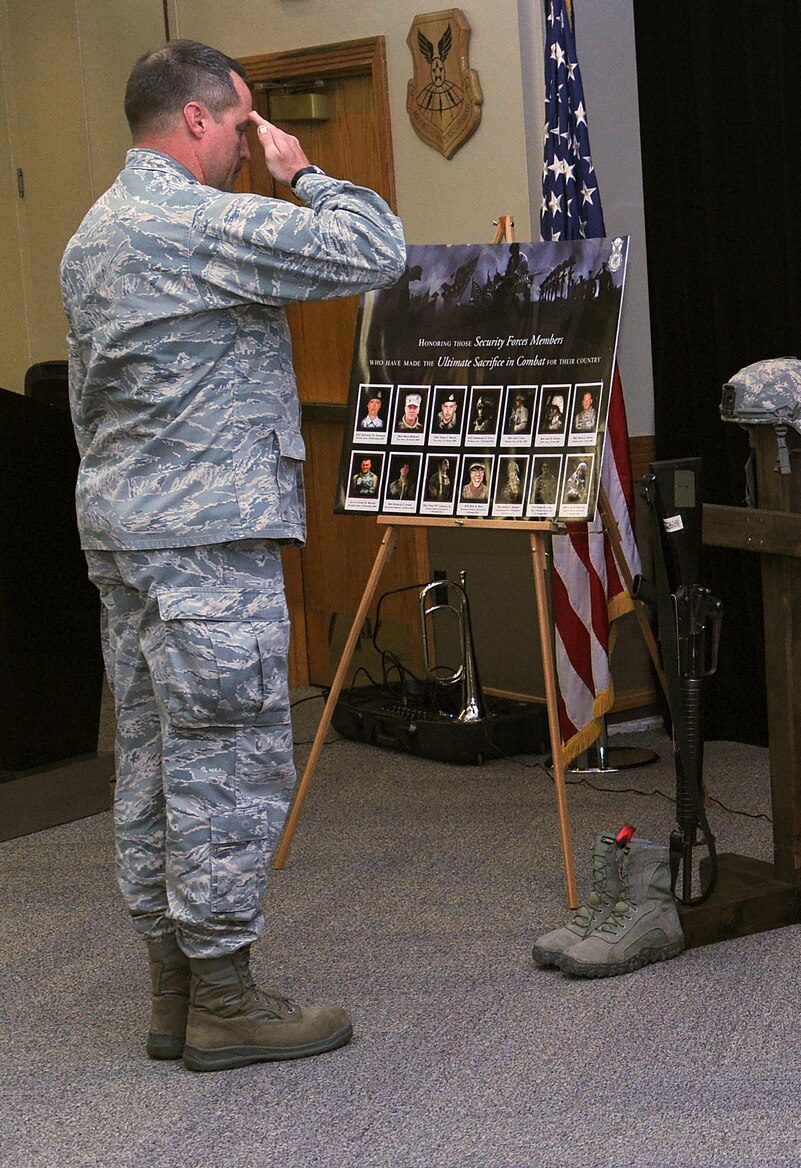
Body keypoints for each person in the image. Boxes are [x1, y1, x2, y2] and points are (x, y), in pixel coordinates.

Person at [62, 40, 404, 1072]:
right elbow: (373, 248)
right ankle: (224, 1000)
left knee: (159, 764)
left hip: (127, 533)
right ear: (199, 120)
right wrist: (306, 169)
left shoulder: (91, 234)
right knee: (226, 763)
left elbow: (90, 401)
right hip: (205, 540)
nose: (250, 151)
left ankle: (173, 992)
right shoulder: (191, 219)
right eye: (244, 126)